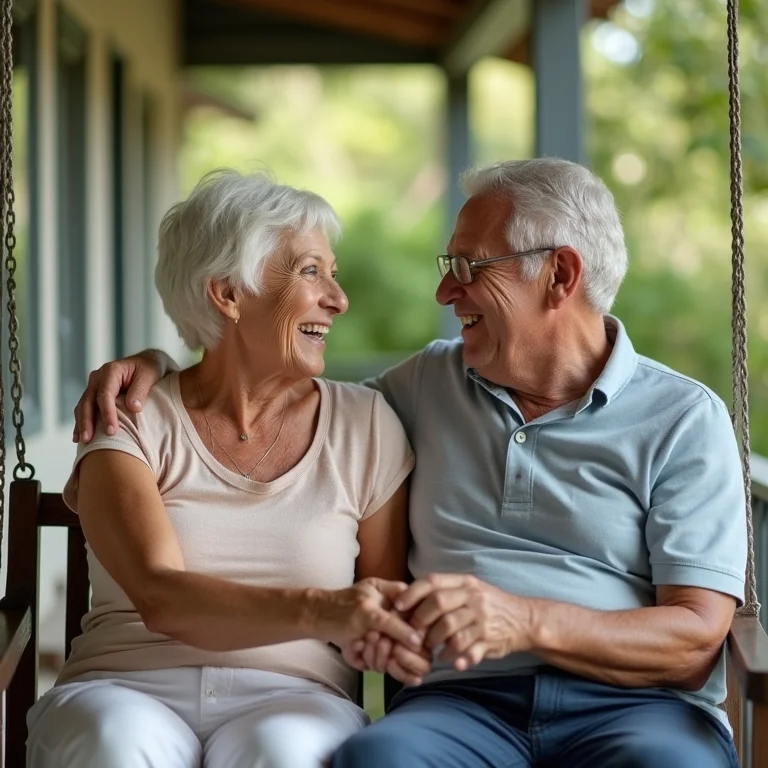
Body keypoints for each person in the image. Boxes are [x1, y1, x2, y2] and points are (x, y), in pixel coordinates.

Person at [76, 158, 746, 768]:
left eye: (468, 268)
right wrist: (157, 368)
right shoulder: (424, 387)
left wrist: (526, 620)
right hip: (463, 706)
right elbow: (269, 398)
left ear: (559, 275)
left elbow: (693, 641)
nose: (444, 294)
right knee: (380, 761)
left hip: (636, 709)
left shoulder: (684, 419)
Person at [27, 170, 425, 768]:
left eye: (332, 274)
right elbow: (161, 597)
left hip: (297, 696)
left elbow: (382, 617)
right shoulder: (130, 415)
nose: (338, 299)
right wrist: (326, 610)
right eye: (310, 271)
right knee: (113, 742)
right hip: (126, 686)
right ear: (228, 294)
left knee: (286, 752)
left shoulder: (365, 424)